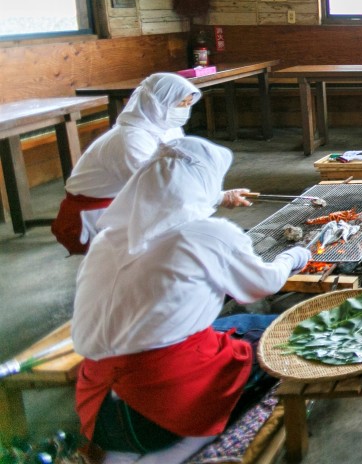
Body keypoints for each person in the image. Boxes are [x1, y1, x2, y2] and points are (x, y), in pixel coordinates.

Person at [73, 137, 311, 456]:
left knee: (236, 322)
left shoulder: (108, 238)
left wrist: (219, 198)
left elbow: (171, 204)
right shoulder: (210, 235)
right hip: (157, 415)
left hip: (98, 413)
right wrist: (295, 256)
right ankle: (190, 444)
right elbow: (264, 284)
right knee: (286, 334)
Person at [50, 73, 251, 255]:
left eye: (189, 104)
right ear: (157, 103)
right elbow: (159, 189)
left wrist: (218, 194)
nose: (185, 111)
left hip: (126, 203)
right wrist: (218, 197)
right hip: (96, 215)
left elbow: (181, 174)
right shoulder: (131, 138)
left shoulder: (166, 128)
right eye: (181, 104)